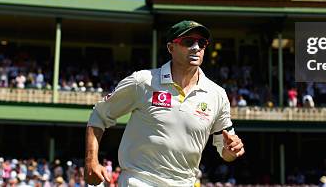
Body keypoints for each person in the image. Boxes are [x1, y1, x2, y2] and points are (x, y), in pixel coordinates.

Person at [85, 20, 245, 186]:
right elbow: (99, 115)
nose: (196, 48)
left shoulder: (217, 94)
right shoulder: (142, 81)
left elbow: (225, 151)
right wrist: (91, 161)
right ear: (171, 48)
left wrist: (232, 149)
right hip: (139, 181)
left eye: (202, 43)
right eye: (188, 41)